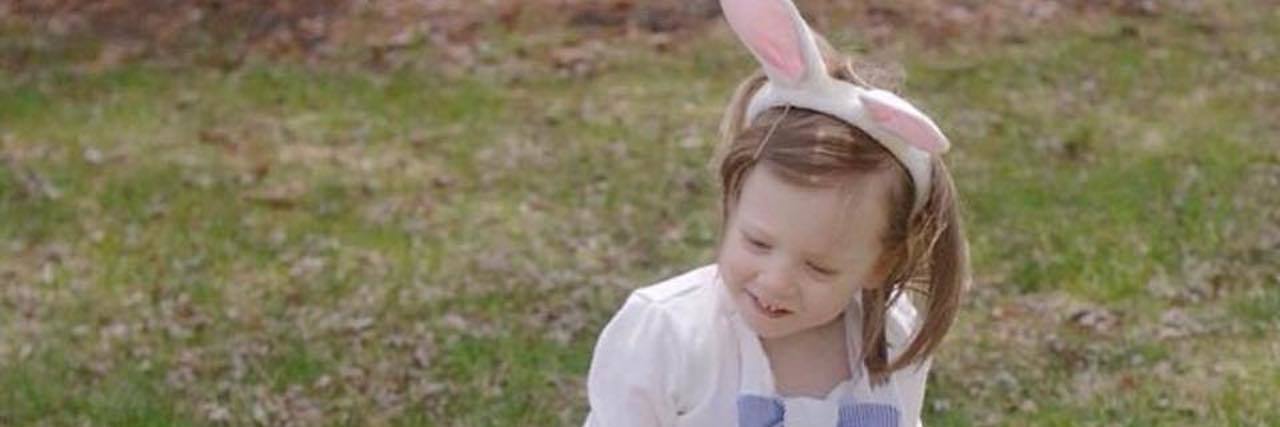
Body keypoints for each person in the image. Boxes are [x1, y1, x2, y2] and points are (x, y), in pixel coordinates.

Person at [583, 0, 970, 425]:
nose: (776, 280)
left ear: (881, 263)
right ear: (732, 203)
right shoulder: (670, 333)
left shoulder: (892, 337)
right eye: (758, 242)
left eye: (819, 267)